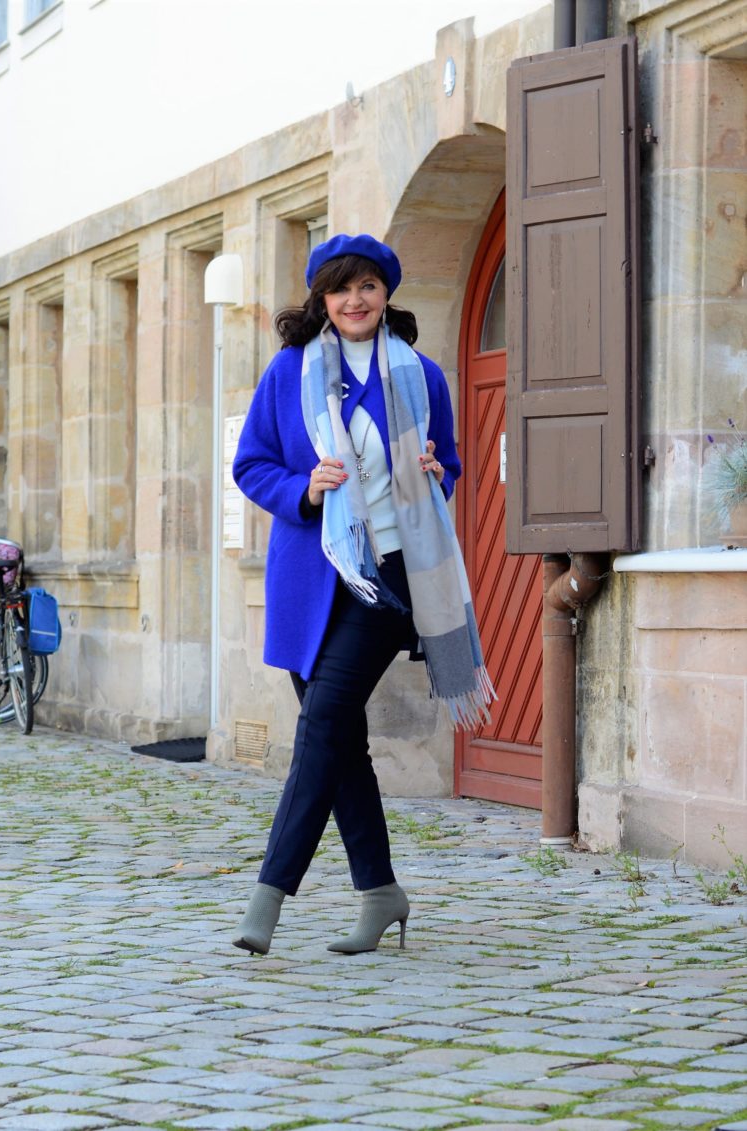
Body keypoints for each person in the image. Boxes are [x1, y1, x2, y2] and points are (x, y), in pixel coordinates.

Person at [231, 233, 494, 956]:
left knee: (321, 726)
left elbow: (449, 462)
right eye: (342, 288)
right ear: (322, 298)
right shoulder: (288, 371)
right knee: (341, 741)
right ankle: (380, 893)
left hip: (389, 578)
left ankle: (268, 898)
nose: (356, 299)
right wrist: (304, 488)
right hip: (310, 580)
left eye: (369, 286)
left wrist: (437, 472)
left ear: (386, 295)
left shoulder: (421, 374)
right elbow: (251, 464)